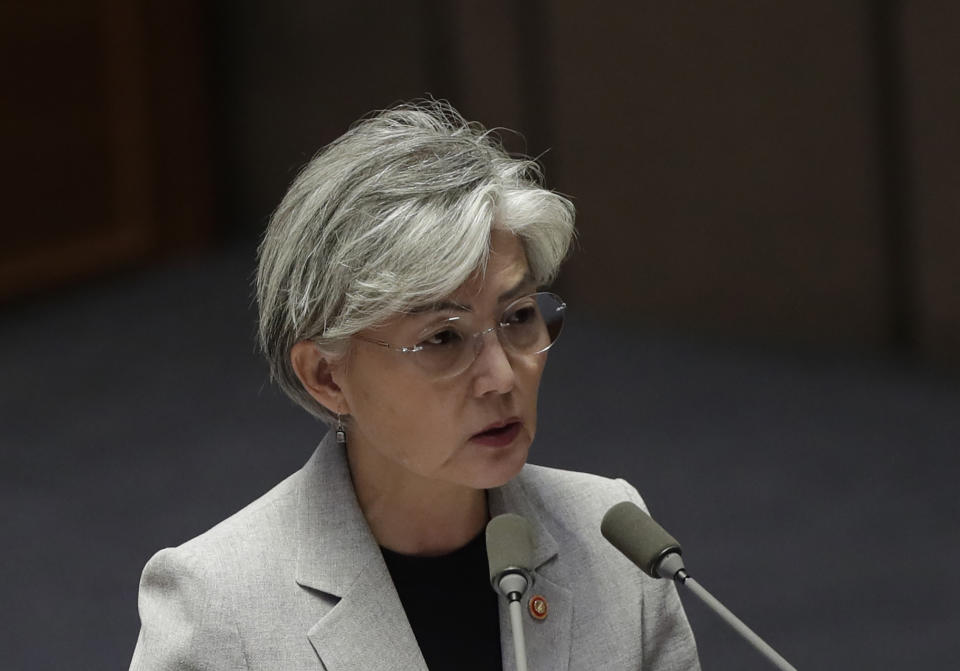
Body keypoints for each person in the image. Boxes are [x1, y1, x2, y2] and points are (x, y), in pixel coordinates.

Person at [130, 100, 700, 670]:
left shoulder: (619, 541)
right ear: (327, 376)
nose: (501, 378)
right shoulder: (218, 607)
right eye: (442, 339)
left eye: (519, 316)